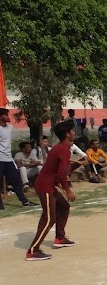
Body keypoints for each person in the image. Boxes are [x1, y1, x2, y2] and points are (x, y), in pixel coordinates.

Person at [25, 119, 77, 260]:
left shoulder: (61, 148)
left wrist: (79, 164)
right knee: (48, 218)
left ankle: (60, 238)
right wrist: (68, 190)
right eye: (72, 131)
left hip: (48, 185)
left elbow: (62, 171)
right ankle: (32, 251)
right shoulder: (63, 150)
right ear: (67, 134)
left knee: (63, 206)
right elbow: (61, 174)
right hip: (45, 186)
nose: (74, 133)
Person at [0, 108, 36, 209]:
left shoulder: (10, 128)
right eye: (5, 115)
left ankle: (24, 201)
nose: (8, 117)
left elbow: (8, 142)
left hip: (8, 159)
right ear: (0, 117)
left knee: (16, 181)